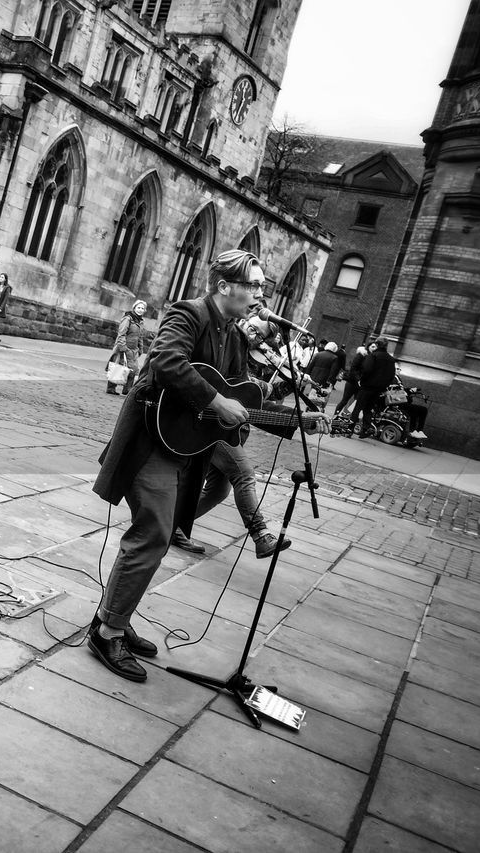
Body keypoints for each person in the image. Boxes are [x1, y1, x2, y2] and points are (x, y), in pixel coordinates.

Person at [87, 249, 323, 683]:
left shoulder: (233, 336)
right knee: (154, 533)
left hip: (183, 444)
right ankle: (107, 634)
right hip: (149, 442)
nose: (258, 294)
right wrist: (217, 402)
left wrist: (297, 421)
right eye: (251, 285)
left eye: (260, 287)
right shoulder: (188, 313)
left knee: (153, 535)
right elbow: (167, 361)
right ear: (223, 286)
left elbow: (237, 393)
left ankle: (111, 617)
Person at [355, 339, 397, 438]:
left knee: (358, 408)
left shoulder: (373, 355)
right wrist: (384, 386)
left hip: (367, 386)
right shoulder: (391, 359)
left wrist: (362, 380)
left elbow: (367, 369)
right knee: (368, 408)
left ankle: (349, 428)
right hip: (379, 389)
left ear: (377, 345)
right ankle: (366, 429)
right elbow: (392, 375)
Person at [107, 299, 150, 395]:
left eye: (142, 308)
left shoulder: (140, 322)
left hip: (134, 350)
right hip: (124, 347)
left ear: (144, 310)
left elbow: (140, 337)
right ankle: (111, 388)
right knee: (118, 367)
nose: (140, 310)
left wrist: (140, 349)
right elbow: (121, 333)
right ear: (134, 308)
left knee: (133, 370)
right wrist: (123, 347)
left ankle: (127, 389)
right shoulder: (128, 318)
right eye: (138, 307)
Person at [333, 343, 371, 419]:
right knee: (345, 400)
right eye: (372, 346)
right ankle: (335, 415)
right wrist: (358, 379)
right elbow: (353, 369)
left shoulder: (370, 358)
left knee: (356, 402)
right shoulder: (360, 356)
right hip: (352, 382)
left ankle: (347, 416)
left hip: (359, 383)